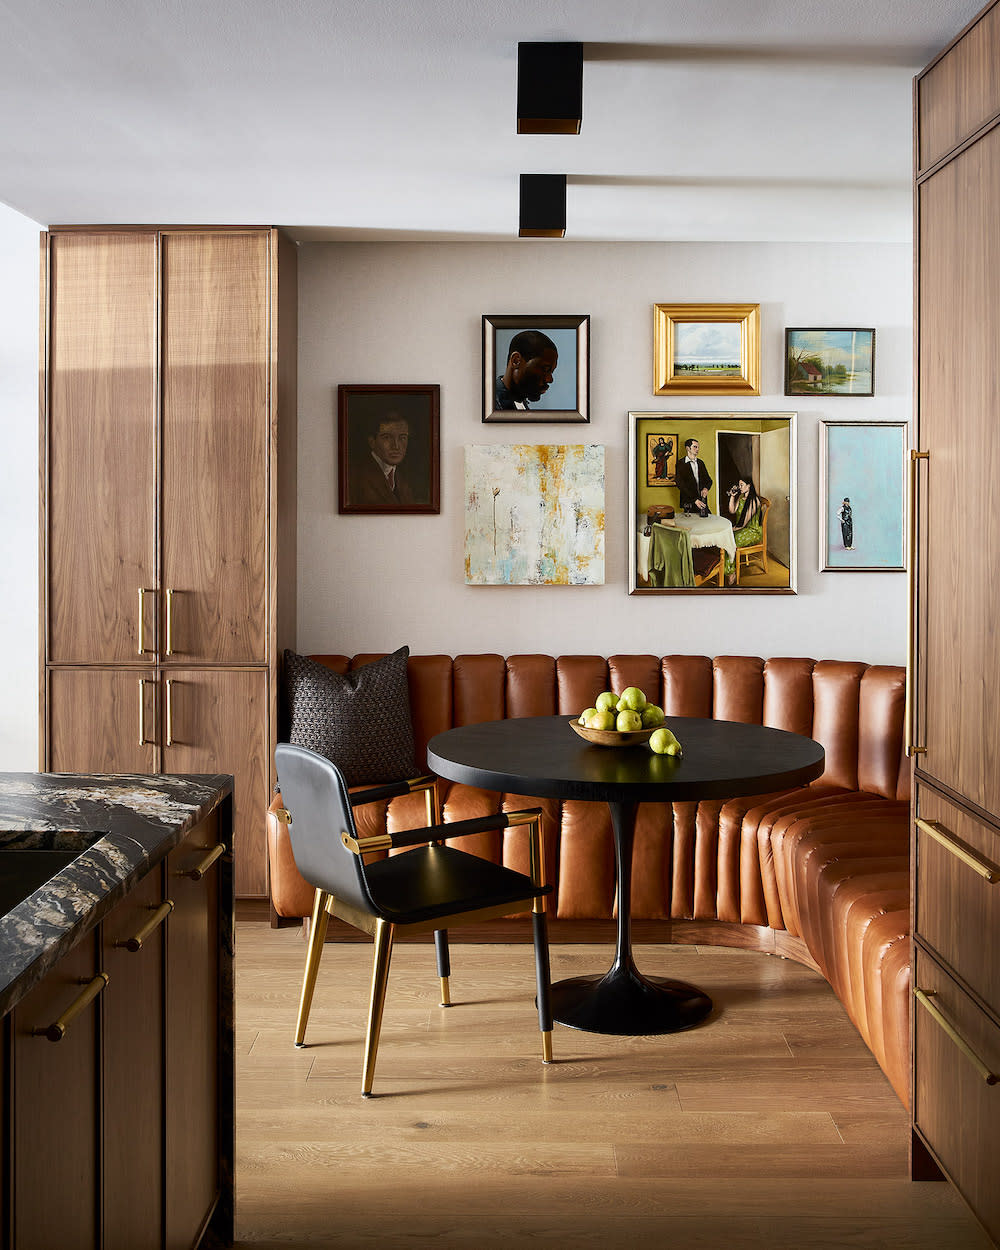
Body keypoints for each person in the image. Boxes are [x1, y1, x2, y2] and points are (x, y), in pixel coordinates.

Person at [349, 411, 415, 507]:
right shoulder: (355, 477)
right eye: (387, 437)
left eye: (402, 438)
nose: (396, 446)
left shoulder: (403, 481)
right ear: (372, 442)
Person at [495, 330, 559, 410]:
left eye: (551, 372)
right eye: (545, 369)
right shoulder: (488, 405)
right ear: (516, 360)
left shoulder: (520, 404)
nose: (550, 379)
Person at [724, 476, 764, 584]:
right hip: (742, 528)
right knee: (727, 539)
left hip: (753, 531)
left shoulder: (754, 501)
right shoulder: (741, 497)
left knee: (731, 541)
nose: (739, 487)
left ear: (749, 486)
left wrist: (732, 529)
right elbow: (732, 511)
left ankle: (730, 572)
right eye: (739, 485)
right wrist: (732, 497)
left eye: (742, 485)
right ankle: (729, 571)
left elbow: (744, 522)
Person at [675, 438, 712, 516]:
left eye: (698, 447)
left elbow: (708, 480)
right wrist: (694, 500)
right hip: (688, 503)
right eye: (695, 447)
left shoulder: (700, 463)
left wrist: (706, 488)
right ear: (688, 448)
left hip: (702, 501)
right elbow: (680, 484)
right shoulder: (680, 463)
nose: (697, 449)